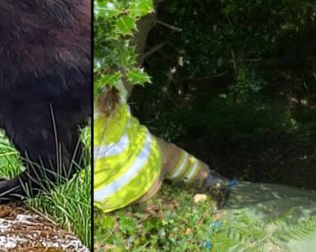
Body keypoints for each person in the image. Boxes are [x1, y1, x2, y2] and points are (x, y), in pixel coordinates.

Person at [94, 83, 229, 213]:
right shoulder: (108, 80)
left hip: (104, 199)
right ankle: (209, 180)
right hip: (146, 172)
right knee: (169, 153)